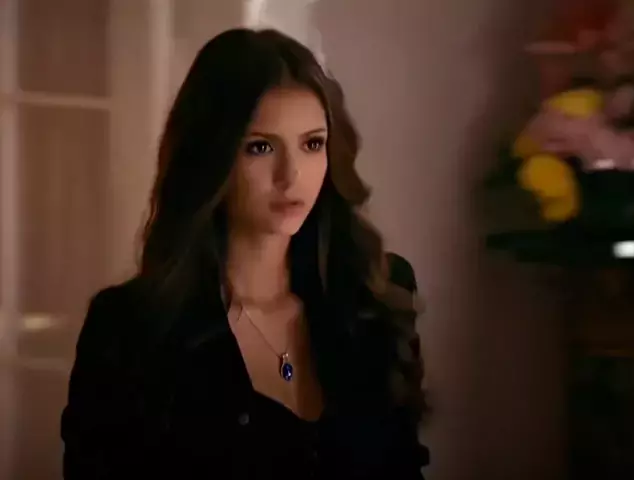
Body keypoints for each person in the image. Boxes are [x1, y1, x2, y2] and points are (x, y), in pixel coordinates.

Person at [61, 28, 429, 479]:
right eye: (260, 147)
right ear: (211, 158)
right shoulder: (131, 329)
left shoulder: (377, 296)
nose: (291, 175)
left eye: (312, 144)